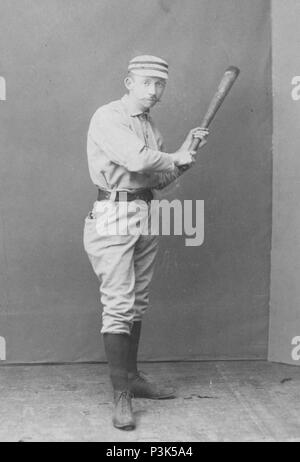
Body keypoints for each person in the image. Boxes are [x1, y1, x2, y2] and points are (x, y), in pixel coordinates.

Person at [83, 55, 209, 430]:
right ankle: (121, 395)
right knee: (119, 303)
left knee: (137, 302)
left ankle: (133, 379)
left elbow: (157, 181)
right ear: (129, 82)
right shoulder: (108, 116)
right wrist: (174, 156)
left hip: (143, 212)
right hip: (112, 214)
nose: (155, 91)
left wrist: (182, 162)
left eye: (161, 84)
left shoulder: (151, 128)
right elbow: (136, 161)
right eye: (148, 82)